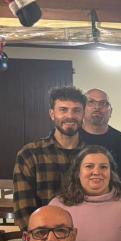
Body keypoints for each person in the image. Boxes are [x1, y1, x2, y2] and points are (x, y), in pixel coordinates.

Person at [13, 86, 87, 229]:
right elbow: (23, 211)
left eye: (76, 110)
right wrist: (45, 237)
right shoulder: (30, 154)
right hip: (42, 238)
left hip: (85, 236)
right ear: (52, 114)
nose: (70, 116)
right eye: (63, 110)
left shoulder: (93, 156)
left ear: (83, 114)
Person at [79, 88, 121, 162]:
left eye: (103, 103)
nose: (97, 107)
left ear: (110, 111)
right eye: (91, 102)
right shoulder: (71, 137)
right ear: (82, 109)